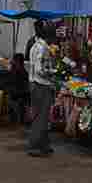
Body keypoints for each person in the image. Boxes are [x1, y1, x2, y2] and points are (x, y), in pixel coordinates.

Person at [27, 21, 55, 157]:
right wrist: (53, 72)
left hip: (34, 84)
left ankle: (44, 144)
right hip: (42, 85)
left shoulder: (34, 46)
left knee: (40, 116)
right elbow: (40, 69)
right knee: (41, 117)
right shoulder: (43, 48)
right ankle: (36, 146)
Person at [0, 53, 30, 124]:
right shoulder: (22, 70)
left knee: (10, 99)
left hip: (17, 92)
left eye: (13, 60)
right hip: (22, 92)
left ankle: (16, 115)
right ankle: (16, 115)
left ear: (16, 61)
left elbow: (11, 81)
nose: (12, 61)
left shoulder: (17, 70)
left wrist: (4, 87)